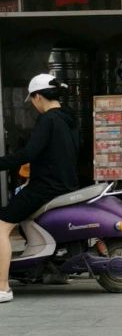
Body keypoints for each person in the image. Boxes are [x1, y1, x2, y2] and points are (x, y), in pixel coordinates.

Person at [0, 74, 80, 304]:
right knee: (24, 220)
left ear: (37, 97)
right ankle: (47, 269)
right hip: (65, 182)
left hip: (46, 186)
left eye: (32, 99)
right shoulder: (69, 117)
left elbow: (28, 154)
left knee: (2, 227)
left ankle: (3, 287)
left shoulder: (48, 120)